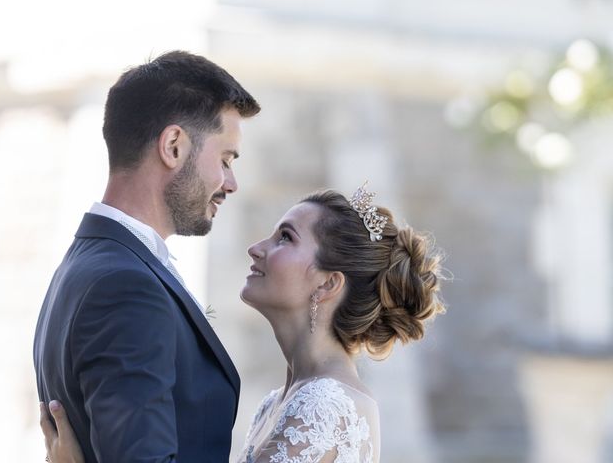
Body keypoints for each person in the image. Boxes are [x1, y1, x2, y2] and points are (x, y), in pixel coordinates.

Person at [40, 184, 445, 462]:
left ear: (327, 283)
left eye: (285, 238)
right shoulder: (279, 401)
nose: (257, 248)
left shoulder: (326, 404)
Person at [33, 50, 260, 463]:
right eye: (225, 159)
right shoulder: (126, 287)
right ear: (173, 146)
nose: (231, 183)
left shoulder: (86, 265)